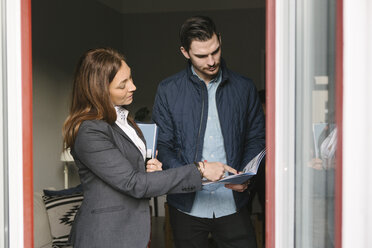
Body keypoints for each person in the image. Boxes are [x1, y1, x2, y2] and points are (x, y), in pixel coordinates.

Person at [62, 47, 236, 248]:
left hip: (131, 232)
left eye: (131, 78)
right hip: (105, 236)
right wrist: (200, 170)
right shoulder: (89, 131)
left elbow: (133, 172)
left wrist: (150, 169)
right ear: (99, 91)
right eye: (122, 85)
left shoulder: (124, 121)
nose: (133, 87)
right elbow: (133, 183)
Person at [152, 16, 266, 248]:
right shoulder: (167, 90)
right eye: (201, 56)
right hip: (186, 206)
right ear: (185, 52)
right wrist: (196, 174)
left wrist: (245, 176)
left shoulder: (244, 88)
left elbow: (256, 139)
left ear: (220, 40)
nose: (212, 61)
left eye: (215, 51)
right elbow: (163, 146)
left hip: (233, 203)